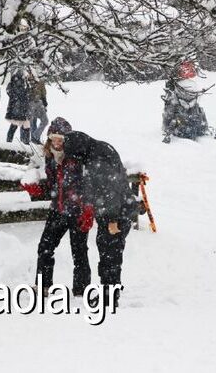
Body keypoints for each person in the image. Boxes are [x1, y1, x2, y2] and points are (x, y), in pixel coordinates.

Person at [62, 131, 138, 307]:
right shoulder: (99, 149)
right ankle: (109, 293)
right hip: (118, 211)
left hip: (115, 215)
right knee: (110, 254)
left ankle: (109, 297)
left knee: (110, 256)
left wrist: (112, 220)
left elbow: (109, 191)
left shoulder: (98, 158)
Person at [22, 118, 92, 297]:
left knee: (79, 251)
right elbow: (52, 187)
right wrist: (36, 189)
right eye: (53, 138)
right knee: (45, 246)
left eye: (60, 139)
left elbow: (90, 185)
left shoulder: (78, 158)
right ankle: (43, 285)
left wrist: (88, 209)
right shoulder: (50, 157)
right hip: (58, 210)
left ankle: (81, 288)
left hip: (78, 211)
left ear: (67, 139)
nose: (56, 142)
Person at [5, 70, 31, 144]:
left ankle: (24, 143)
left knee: (20, 125)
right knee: (18, 125)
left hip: (20, 108)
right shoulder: (17, 83)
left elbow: (26, 94)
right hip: (17, 108)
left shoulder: (23, 82)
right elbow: (11, 92)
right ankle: (24, 143)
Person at [27, 73, 49, 145]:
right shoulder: (27, 80)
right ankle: (35, 139)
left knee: (43, 121)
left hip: (38, 103)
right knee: (34, 122)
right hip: (31, 103)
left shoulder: (40, 80)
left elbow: (43, 93)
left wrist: (44, 103)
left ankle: (35, 137)